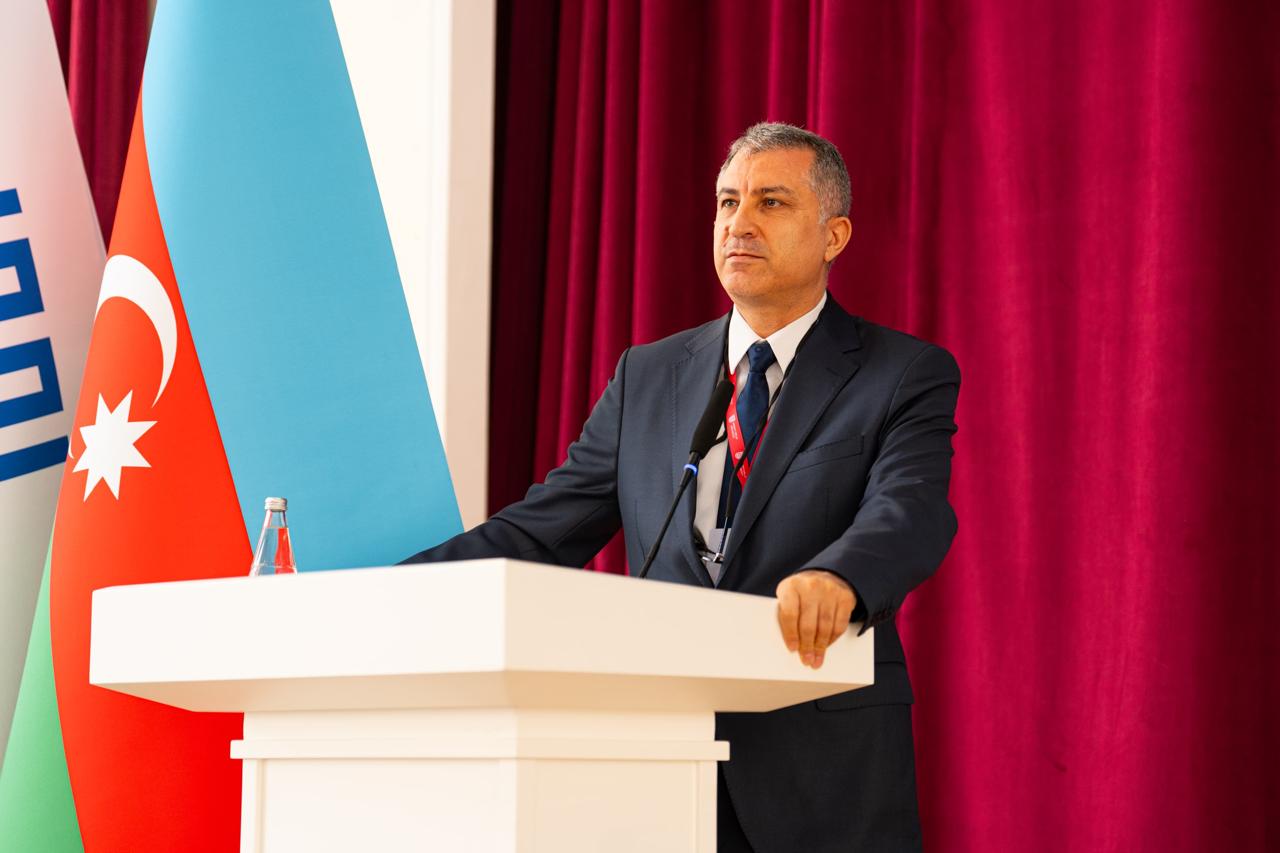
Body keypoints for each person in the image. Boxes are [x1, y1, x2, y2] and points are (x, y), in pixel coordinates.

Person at [404, 122, 960, 853]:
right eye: (728, 202)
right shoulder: (647, 374)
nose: (739, 223)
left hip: (822, 773)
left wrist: (840, 577)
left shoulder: (901, 372)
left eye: (770, 202)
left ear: (834, 235)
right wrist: (394, 589)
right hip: (658, 763)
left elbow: (909, 507)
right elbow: (541, 529)